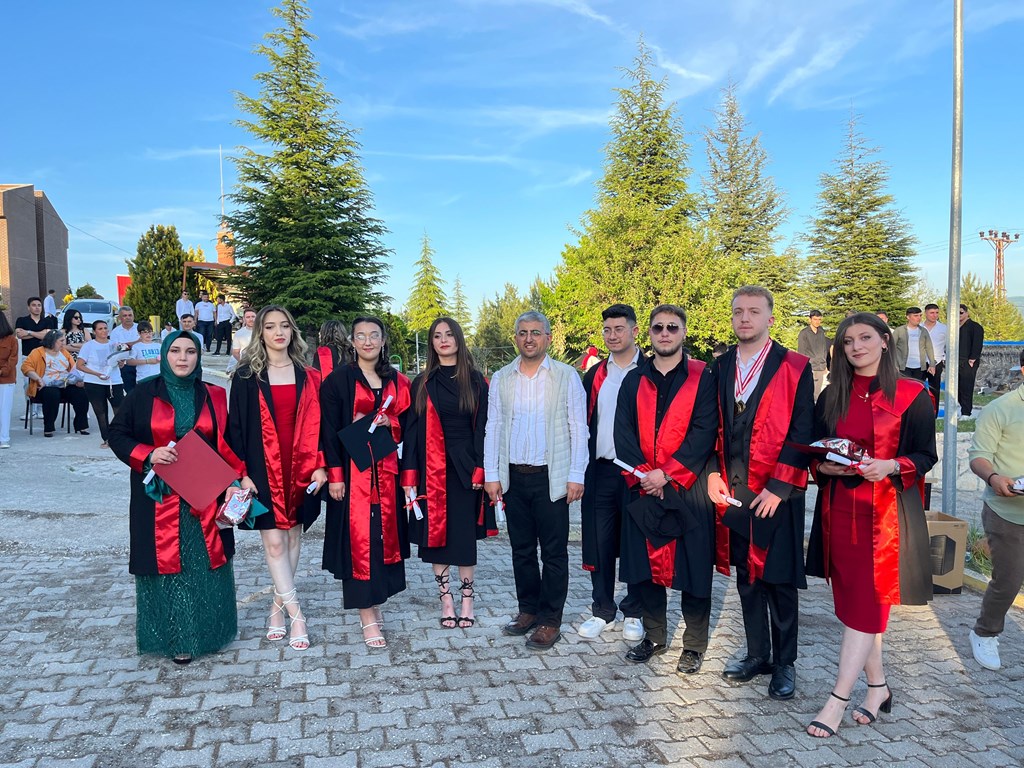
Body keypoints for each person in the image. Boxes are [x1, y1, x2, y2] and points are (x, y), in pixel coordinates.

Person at [804, 312, 936, 737]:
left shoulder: (913, 394)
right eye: (847, 341)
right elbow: (816, 450)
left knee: (867, 606)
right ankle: (878, 688)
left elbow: (925, 455)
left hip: (885, 519)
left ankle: (837, 699)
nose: (856, 347)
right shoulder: (832, 395)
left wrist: (891, 465)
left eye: (864, 338)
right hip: (839, 512)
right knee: (855, 606)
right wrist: (824, 467)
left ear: (883, 340)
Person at [109, 331, 246, 664]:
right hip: (160, 498)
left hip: (205, 492)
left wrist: (234, 479)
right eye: (175, 351)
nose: (183, 358)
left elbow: (227, 441)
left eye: (190, 351)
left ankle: (211, 632)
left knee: (205, 562)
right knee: (171, 564)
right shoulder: (143, 393)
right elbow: (117, 434)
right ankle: (179, 638)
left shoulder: (214, 395)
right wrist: (148, 453)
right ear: (164, 355)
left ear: (198, 357)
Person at [708, 285, 813, 701]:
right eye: (738, 311)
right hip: (735, 489)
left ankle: (785, 662)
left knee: (779, 580)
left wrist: (780, 486)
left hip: (776, 493)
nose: (744, 318)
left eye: (753, 311)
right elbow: (710, 427)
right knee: (747, 578)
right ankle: (757, 654)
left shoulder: (794, 366)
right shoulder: (720, 366)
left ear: (770, 317)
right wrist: (711, 476)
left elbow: (803, 430)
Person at [614, 305, 718, 674]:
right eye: (658, 327)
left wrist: (668, 474)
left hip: (687, 488)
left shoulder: (703, 376)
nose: (665, 333)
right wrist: (647, 476)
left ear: (683, 332)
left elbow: (705, 431)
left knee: (694, 571)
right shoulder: (633, 380)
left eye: (672, 327)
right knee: (645, 570)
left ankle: (694, 645)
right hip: (643, 486)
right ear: (649, 333)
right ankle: (655, 636)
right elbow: (622, 432)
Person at [483, 311, 588, 652]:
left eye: (536, 333)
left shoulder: (566, 376)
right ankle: (528, 610)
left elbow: (578, 428)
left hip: (551, 478)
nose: (529, 338)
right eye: (523, 332)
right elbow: (493, 427)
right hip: (514, 478)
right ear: (515, 337)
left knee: (554, 553)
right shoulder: (502, 378)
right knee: (522, 550)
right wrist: (492, 474)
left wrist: (576, 475)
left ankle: (550, 620)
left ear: (548, 338)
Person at [228, 306, 327, 651]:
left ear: (292, 331)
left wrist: (321, 464)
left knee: (293, 539)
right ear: (260, 333)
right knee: (273, 543)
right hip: (262, 469)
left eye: (284, 326)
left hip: (301, 467)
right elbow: (235, 429)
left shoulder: (309, 376)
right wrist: (241, 473)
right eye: (270, 327)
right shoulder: (246, 376)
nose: (278, 332)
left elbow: (323, 425)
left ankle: (276, 607)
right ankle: (297, 614)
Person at [321, 316, 412, 649]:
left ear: (383, 340)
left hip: (387, 476)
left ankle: (376, 601)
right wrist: (335, 475)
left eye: (374, 335)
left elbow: (411, 423)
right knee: (358, 543)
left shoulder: (397, 380)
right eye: (361, 336)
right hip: (351, 477)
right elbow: (327, 430)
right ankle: (366, 615)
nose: (368, 341)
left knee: (380, 539)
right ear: (352, 342)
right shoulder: (338, 380)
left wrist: (391, 421)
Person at [401, 317, 492, 629]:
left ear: (458, 339)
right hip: (431, 468)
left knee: (463, 537)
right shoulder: (422, 383)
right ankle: (446, 600)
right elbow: (411, 433)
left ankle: (467, 599)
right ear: (431, 343)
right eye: (437, 335)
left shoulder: (476, 381)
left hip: (466, 468)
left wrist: (482, 468)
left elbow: (484, 428)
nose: (443, 340)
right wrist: (409, 478)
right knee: (435, 537)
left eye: (449, 334)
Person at [577, 304, 644, 642]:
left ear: (634, 331)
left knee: (635, 543)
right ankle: (602, 609)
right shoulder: (595, 375)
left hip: (638, 473)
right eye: (607, 330)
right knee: (599, 542)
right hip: (601, 470)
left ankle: (634, 611)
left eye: (619, 329)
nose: (613, 335)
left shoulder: (649, 371)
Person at [966, 349, 1024, 672]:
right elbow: (979, 456)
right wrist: (994, 478)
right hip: (1007, 510)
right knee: (1009, 580)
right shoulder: (1000, 409)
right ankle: (985, 632)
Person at [21, 330, 90, 436]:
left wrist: (78, 380)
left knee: (81, 394)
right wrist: (38, 379)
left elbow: (73, 369)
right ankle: (49, 427)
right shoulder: (37, 352)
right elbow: (26, 367)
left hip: (65, 384)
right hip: (44, 387)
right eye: (61, 341)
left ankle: (81, 425)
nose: (63, 343)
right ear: (52, 341)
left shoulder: (64, 352)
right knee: (52, 394)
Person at [76, 320, 126, 448]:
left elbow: (120, 362)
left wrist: (121, 362)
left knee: (119, 410)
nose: (104, 331)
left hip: (114, 381)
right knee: (101, 412)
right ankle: (107, 438)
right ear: (94, 331)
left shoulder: (114, 344)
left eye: (105, 328)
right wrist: (96, 373)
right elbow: (80, 365)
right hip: (94, 382)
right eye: (100, 329)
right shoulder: (88, 346)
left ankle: (120, 436)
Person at [891, 307, 936, 384]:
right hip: (903, 367)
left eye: (920, 315)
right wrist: (895, 365)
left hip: (920, 367)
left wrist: (932, 364)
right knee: (905, 388)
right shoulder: (899, 331)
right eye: (916, 316)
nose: (919, 318)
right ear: (908, 317)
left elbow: (929, 348)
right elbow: (892, 348)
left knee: (918, 388)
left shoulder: (923, 331)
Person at [797, 310, 830, 402]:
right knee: (808, 394)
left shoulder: (821, 332)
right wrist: (804, 367)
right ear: (810, 319)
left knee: (817, 394)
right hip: (810, 366)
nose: (817, 322)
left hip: (820, 366)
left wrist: (825, 365)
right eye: (815, 319)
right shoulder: (804, 333)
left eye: (819, 319)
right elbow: (801, 351)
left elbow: (824, 349)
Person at [958, 305, 984, 418]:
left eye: (961, 312)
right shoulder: (954, 327)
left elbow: (978, 344)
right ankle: (963, 408)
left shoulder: (975, 327)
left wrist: (972, 359)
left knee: (966, 387)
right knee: (956, 388)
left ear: (967, 313)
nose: (959, 315)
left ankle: (966, 412)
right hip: (956, 361)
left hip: (968, 362)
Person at [922, 303, 947, 414]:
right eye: (932, 313)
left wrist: (944, 358)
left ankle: (934, 413)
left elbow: (949, 345)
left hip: (936, 362)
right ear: (926, 313)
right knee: (918, 387)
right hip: (920, 361)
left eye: (937, 313)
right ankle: (919, 412)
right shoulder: (919, 327)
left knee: (935, 388)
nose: (934, 315)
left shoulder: (944, 328)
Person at [110, 306, 140, 394]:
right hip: (125, 365)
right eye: (125, 315)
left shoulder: (140, 328)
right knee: (131, 392)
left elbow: (147, 342)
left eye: (130, 315)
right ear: (119, 318)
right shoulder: (115, 332)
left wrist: (126, 345)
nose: (128, 318)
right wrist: (137, 342)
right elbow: (118, 348)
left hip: (141, 362)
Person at [0, 313, 19, 448]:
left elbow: (13, 359)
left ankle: (4, 438)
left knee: (4, 409)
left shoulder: (12, 340)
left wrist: (2, 371)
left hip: (6, 379)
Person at [228, 308, 257, 376]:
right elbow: (235, 352)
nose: (251, 319)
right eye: (248, 317)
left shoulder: (263, 331)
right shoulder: (239, 333)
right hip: (245, 364)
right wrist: (243, 363)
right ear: (244, 319)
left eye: (253, 316)